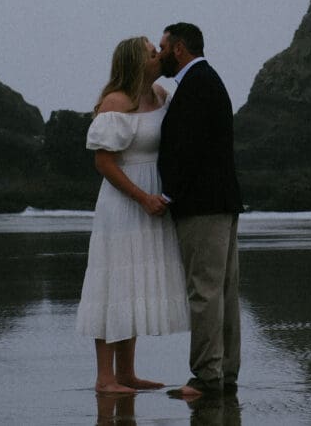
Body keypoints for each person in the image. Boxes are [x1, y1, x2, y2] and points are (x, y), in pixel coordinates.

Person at [76, 36, 189, 394]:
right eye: (153, 54)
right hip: (124, 203)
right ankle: (104, 378)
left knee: (135, 282)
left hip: (153, 197)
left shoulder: (158, 94)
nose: (159, 57)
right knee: (112, 283)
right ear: (136, 62)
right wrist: (142, 197)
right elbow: (103, 162)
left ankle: (126, 373)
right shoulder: (116, 102)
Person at [156, 23, 243, 399]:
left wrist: (170, 194)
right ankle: (224, 372)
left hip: (202, 206)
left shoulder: (196, 85)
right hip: (220, 202)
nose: (159, 54)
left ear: (178, 49)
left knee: (205, 291)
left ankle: (207, 376)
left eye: (162, 47)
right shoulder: (206, 81)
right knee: (223, 290)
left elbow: (187, 149)